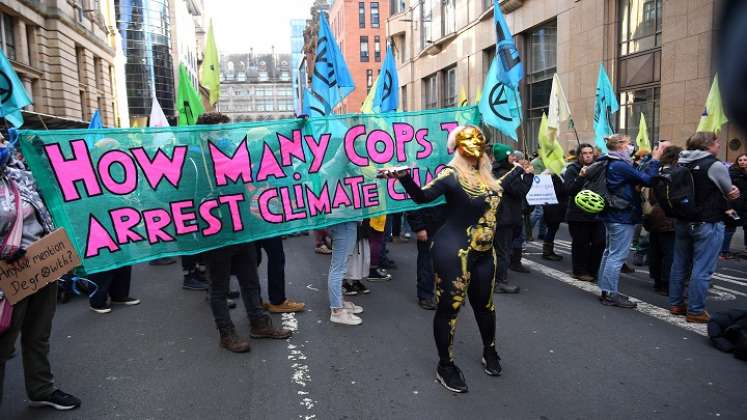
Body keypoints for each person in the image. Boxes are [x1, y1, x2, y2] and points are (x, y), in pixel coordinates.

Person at [387, 125, 525, 393]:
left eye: (479, 149)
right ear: (459, 149)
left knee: (485, 305)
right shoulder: (450, 175)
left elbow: (502, 188)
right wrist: (404, 177)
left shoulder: (488, 176)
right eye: (470, 149)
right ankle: (445, 365)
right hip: (454, 251)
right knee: (450, 308)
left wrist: (520, 170)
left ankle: (490, 350)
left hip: (485, 252)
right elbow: (422, 196)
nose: (476, 154)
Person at [197, 112, 291, 352]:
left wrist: (293, 128)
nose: (226, 136)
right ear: (203, 133)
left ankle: (259, 324)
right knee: (218, 288)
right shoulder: (194, 162)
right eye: (221, 131)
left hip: (242, 228)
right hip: (215, 233)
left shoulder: (234, 155)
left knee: (250, 281)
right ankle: (226, 334)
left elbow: (261, 151)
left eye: (227, 131)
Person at [0, 135, 81, 409]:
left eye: (2, 139)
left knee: (38, 333)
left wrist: (44, 152)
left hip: (40, 267)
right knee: (3, 342)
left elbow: (51, 196)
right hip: (7, 277)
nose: (2, 144)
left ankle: (41, 389)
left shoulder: (18, 176)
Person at [669, 133, 740, 323]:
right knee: (703, 269)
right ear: (708, 145)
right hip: (707, 222)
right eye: (717, 142)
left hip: (683, 221)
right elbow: (729, 191)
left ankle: (676, 304)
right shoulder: (714, 165)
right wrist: (734, 192)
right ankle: (696, 310)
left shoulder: (680, 162)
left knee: (679, 265)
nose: (718, 145)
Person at [594, 134, 665, 308]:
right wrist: (655, 159)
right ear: (619, 146)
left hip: (613, 214)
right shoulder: (619, 164)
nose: (630, 146)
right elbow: (647, 180)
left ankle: (606, 291)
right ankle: (611, 294)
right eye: (628, 144)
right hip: (621, 215)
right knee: (616, 256)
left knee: (609, 253)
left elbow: (636, 176)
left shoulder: (610, 161)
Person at [492, 144, 533, 294]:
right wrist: (529, 176)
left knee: (499, 250)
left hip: (502, 216)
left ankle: (494, 278)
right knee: (503, 251)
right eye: (510, 156)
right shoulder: (505, 173)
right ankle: (500, 282)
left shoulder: (497, 170)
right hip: (506, 217)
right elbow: (520, 191)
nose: (513, 158)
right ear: (504, 158)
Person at [642, 145, 681, 295]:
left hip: (653, 215)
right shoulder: (676, 174)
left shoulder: (656, 172)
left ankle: (658, 280)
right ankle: (665, 284)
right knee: (669, 254)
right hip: (668, 217)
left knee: (656, 251)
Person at [563, 143, 605, 282]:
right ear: (579, 155)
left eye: (590, 153)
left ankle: (593, 270)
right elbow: (569, 190)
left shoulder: (598, 167)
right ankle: (580, 271)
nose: (588, 155)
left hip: (596, 213)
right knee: (581, 244)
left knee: (599, 242)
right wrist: (581, 177)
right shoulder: (572, 169)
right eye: (584, 153)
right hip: (578, 214)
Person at [407, 204, 446, 310]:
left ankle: (446, 295)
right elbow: (412, 203)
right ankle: (425, 296)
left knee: (448, 263)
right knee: (427, 263)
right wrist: (419, 227)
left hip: (447, 226)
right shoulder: (421, 186)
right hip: (429, 227)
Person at [257, 237, 305, 313]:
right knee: (275, 256)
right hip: (266, 227)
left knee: (253, 258)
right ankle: (276, 301)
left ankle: (255, 304)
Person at [721, 153, 747, 259]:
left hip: (745, 206)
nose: (742, 162)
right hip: (734, 206)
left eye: (745, 160)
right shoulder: (732, 173)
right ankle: (724, 252)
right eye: (740, 160)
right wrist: (728, 206)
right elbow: (726, 190)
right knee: (730, 228)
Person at [541, 173, 568, 261]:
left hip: (553, 206)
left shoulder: (555, 177)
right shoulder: (555, 177)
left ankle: (549, 251)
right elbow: (561, 190)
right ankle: (547, 252)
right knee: (551, 230)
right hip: (554, 207)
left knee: (552, 229)